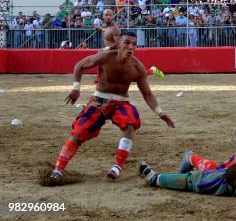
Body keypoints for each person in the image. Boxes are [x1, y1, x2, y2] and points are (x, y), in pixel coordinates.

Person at [48, 32, 175, 183]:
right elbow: (80, 65)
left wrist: (160, 112)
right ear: (119, 43)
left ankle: (118, 166)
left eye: (134, 44)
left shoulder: (137, 67)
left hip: (121, 101)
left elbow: (147, 94)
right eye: (127, 42)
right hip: (99, 100)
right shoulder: (106, 57)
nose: (131, 47)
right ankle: (58, 168)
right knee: (79, 132)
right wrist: (76, 88)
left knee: (130, 125)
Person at [96, 9, 164, 79]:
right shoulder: (106, 26)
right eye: (106, 15)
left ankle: (152, 71)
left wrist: (107, 49)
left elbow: (119, 44)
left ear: (113, 16)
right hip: (110, 54)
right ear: (103, 17)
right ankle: (99, 78)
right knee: (101, 58)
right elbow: (107, 30)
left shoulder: (115, 29)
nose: (108, 17)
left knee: (130, 77)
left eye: (110, 15)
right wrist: (101, 29)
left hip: (116, 54)